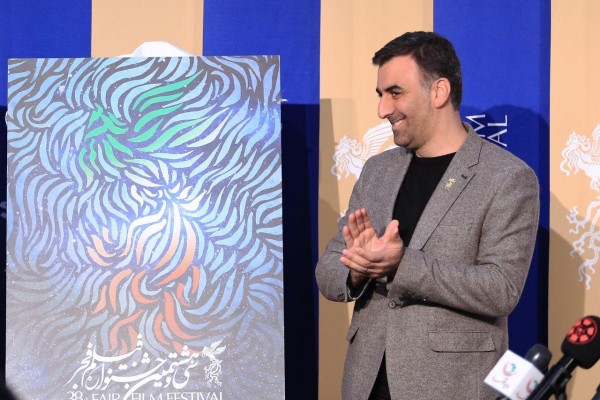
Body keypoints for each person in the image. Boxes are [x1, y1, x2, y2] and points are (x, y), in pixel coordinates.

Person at [315, 31, 539, 400]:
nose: (382, 109)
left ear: (439, 92)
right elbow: (328, 270)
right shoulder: (377, 171)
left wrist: (401, 265)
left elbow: (501, 289)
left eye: (395, 93)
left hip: (450, 386)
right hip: (366, 383)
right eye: (380, 94)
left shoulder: (507, 177)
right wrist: (357, 269)